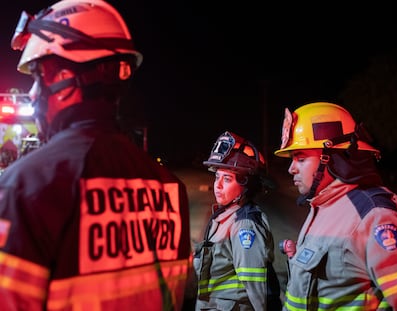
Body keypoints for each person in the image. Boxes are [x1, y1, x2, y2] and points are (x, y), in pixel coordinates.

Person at [0, 0, 192, 310]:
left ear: (63, 81)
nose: (33, 94)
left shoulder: (24, 187)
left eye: (38, 79)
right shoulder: (169, 187)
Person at [274, 102, 397, 310]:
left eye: (300, 159)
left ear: (332, 158)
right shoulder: (322, 207)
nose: (291, 169)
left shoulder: (375, 214)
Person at [193, 131, 282, 310]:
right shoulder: (222, 217)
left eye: (227, 179)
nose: (217, 185)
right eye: (217, 177)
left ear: (246, 185)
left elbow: (256, 288)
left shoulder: (245, 224)